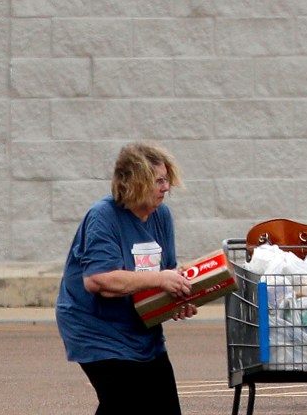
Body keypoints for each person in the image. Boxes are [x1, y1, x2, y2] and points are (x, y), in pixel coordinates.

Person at [57, 142, 195, 415]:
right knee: (125, 401)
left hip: (141, 329)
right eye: (158, 181)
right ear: (134, 182)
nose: (166, 187)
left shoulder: (161, 216)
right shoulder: (103, 216)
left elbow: (162, 275)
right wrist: (161, 280)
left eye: (166, 179)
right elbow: (99, 280)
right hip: (96, 329)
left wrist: (176, 300)